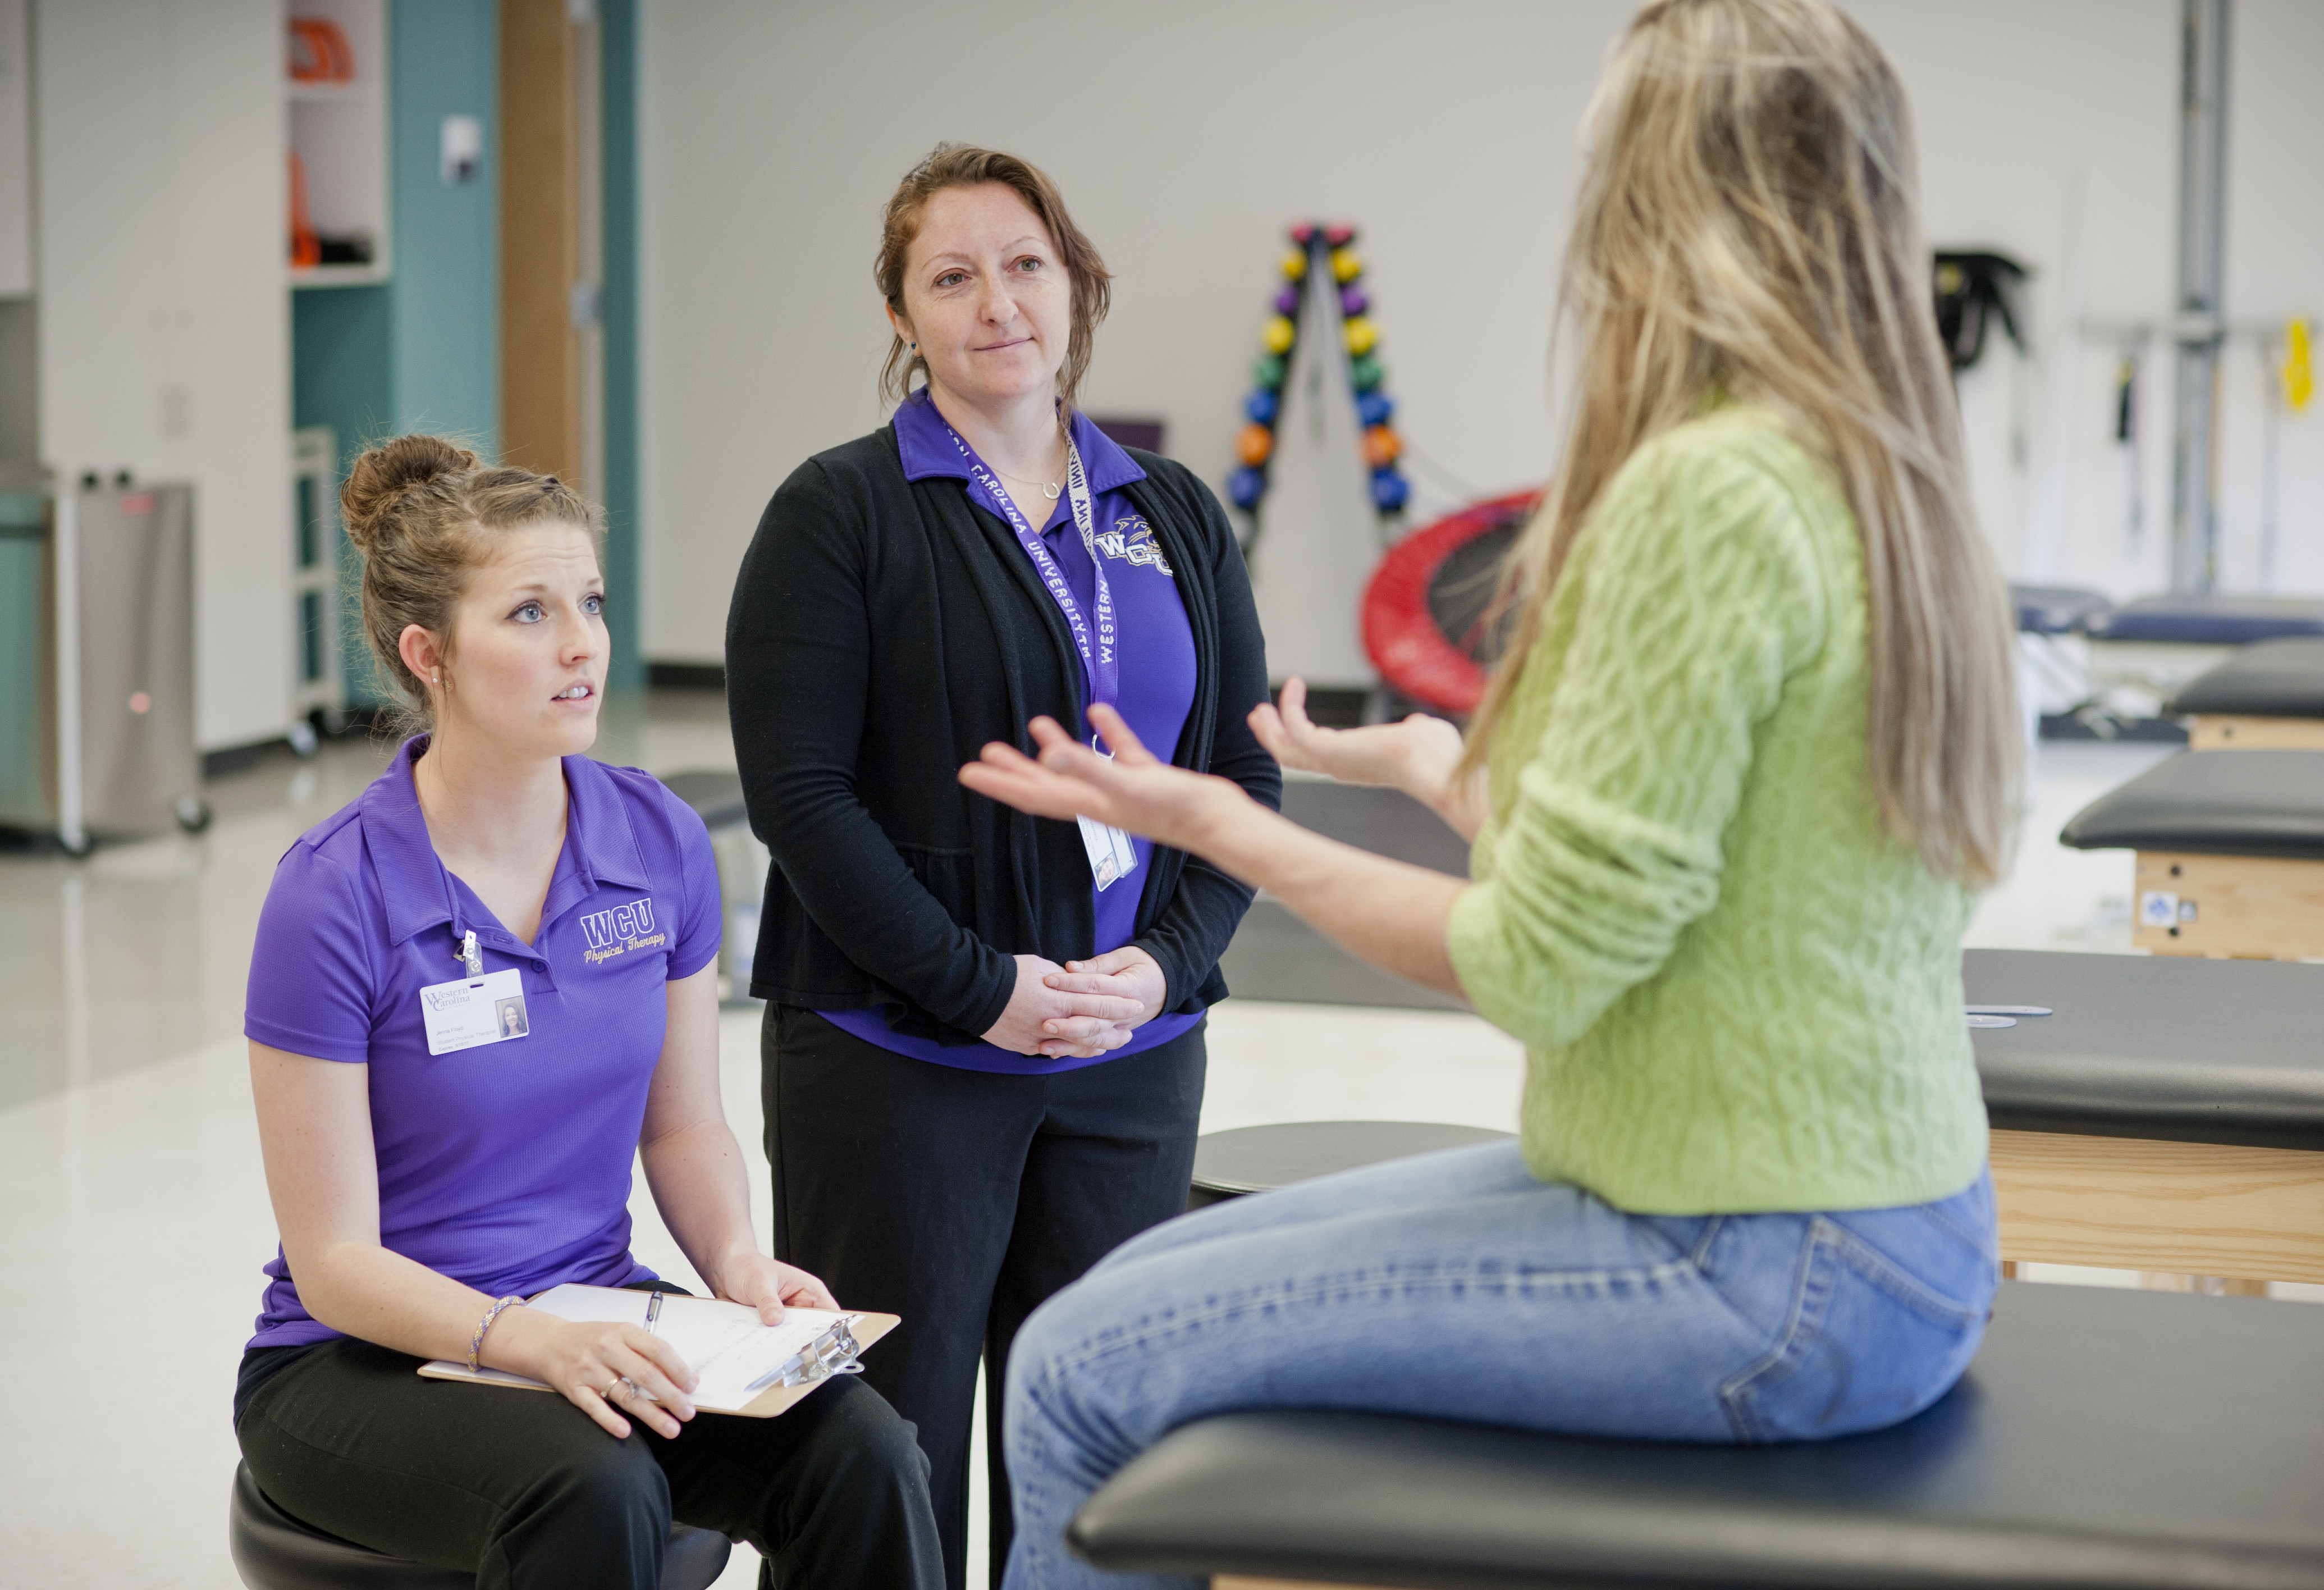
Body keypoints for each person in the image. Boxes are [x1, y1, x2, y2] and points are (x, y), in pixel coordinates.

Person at [958, 2, 2024, 1583]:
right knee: (1137, 1297)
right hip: (1865, 1224)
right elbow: (1725, 886)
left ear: (1656, 198)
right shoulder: (1874, 461)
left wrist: (1223, 825)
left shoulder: (1707, 490)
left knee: (1071, 1372)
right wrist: (1436, 772)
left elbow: (1539, 963)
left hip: (1755, 1261)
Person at [235, 436, 942, 1590]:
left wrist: (736, 1267)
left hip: (588, 1311)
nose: (582, 647)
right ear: (431, 656)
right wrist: (528, 1343)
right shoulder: (333, 896)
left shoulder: (657, 839)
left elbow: (684, 1127)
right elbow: (334, 1263)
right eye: (527, 613)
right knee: (597, 1481)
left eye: (591, 604)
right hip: (357, 1363)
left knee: (861, 1448)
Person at [725, 144, 1277, 1585]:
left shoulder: (1168, 512)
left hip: (1129, 1063)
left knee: (1098, 1453)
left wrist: (1165, 966)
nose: (996, 303)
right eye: (950, 276)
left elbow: (1243, 778)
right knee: (881, 1464)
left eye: (1023, 265)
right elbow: (798, 794)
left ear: (1076, 286)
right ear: (902, 316)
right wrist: (981, 991)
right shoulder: (838, 512)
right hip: (901, 1067)